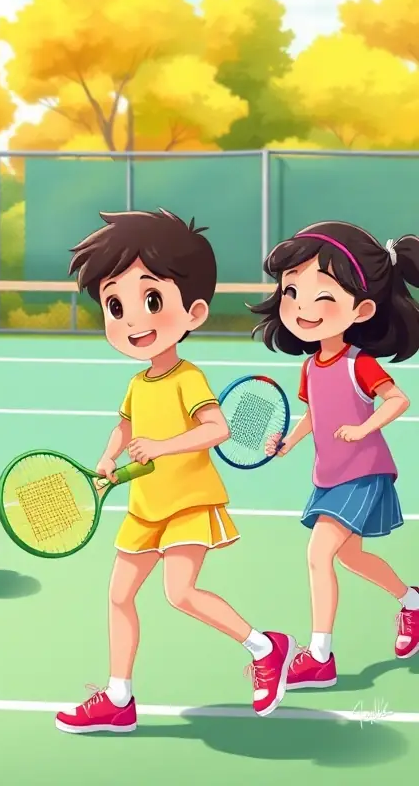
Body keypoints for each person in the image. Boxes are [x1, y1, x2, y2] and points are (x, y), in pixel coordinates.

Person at [55, 209, 295, 734]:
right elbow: (124, 425)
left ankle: (266, 646)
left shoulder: (189, 377)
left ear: (194, 311)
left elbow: (216, 430)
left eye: (151, 300)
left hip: (188, 501)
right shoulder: (139, 383)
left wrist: (162, 446)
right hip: (145, 506)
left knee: (179, 593)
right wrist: (106, 459)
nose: (132, 319)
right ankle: (119, 698)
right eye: (115, 305)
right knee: (118, 596)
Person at [252, 221, 419, 687]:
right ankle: (412, 602)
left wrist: (363, 427)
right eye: (292, 292)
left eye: (321, 296)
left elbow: (399, 400)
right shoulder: (310, 366)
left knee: (318, 554)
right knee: (350, 558)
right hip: (329, 475)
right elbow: (314, 415)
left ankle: (319, 654)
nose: (302, 307)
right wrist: (287, 443)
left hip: (364, 473)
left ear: (361, 308)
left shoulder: (359, 363)